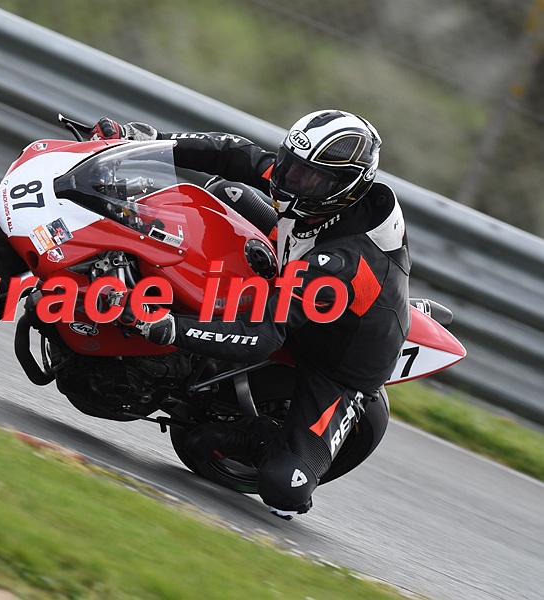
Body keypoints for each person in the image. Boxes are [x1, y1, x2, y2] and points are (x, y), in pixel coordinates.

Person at [91, 110, 411, 518]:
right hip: (293, 270)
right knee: (225, 192)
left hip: (336, 363)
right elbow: (233, 153)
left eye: (305, 176)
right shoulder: (315, 191)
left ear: (343, 188)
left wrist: (167, 327)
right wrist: (144, 141)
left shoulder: (346, 264)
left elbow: (264, 335)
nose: (287, 178)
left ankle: (259, 435)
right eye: (289, 164)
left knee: (286, 487)